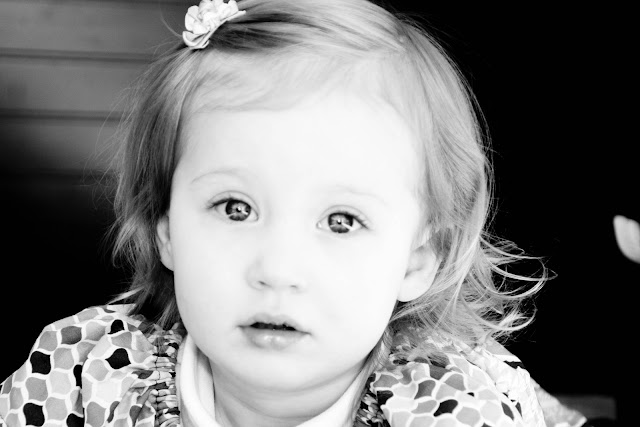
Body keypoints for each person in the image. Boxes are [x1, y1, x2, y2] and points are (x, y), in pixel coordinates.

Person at [0, 0, 589, 426]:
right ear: (166, 230)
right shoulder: (83, 372)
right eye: (234, 208)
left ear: (417, 260)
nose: (278, 270)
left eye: (341, 221)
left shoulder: (456, 406)